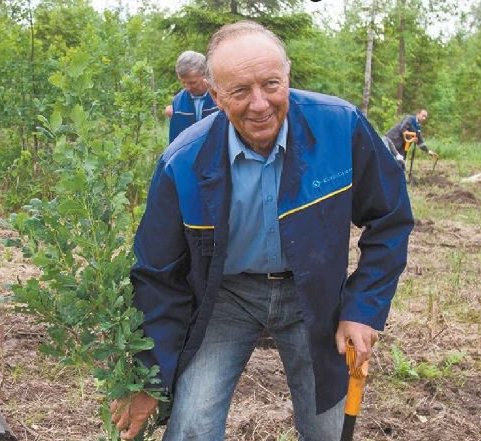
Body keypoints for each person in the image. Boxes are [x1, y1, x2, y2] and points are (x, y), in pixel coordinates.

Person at [109, 21, 414, 441]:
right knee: (191, 424)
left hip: (315, 295)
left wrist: (361, 308)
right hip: (226, 296)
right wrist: (147, 379)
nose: (259, 104)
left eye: (271, 84)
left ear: (287, 76)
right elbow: (158, 274)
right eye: (239, 91)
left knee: (327, 428)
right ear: (214, 96)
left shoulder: (339, 127)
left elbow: (391, 219)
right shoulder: (182, 163)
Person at [166, 50, 219, 143]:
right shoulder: (178, 101)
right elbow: (174, 140)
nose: (187, 87)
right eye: (183, 82)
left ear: (206, 75)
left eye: (192, 82)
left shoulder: (220, 96)